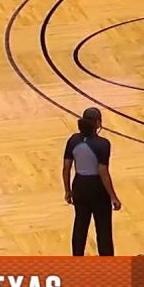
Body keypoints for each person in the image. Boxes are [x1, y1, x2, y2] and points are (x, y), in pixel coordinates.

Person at [62, 107, 122, 256]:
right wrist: (113, 197)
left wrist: (68, 190)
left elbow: (66, 168)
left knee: (80, 225)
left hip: (79, 186)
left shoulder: (73, 140)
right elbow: (103, 172)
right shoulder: (103, 144)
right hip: (97, 189)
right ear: (98, 123)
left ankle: (77, 259)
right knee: (103, 228)